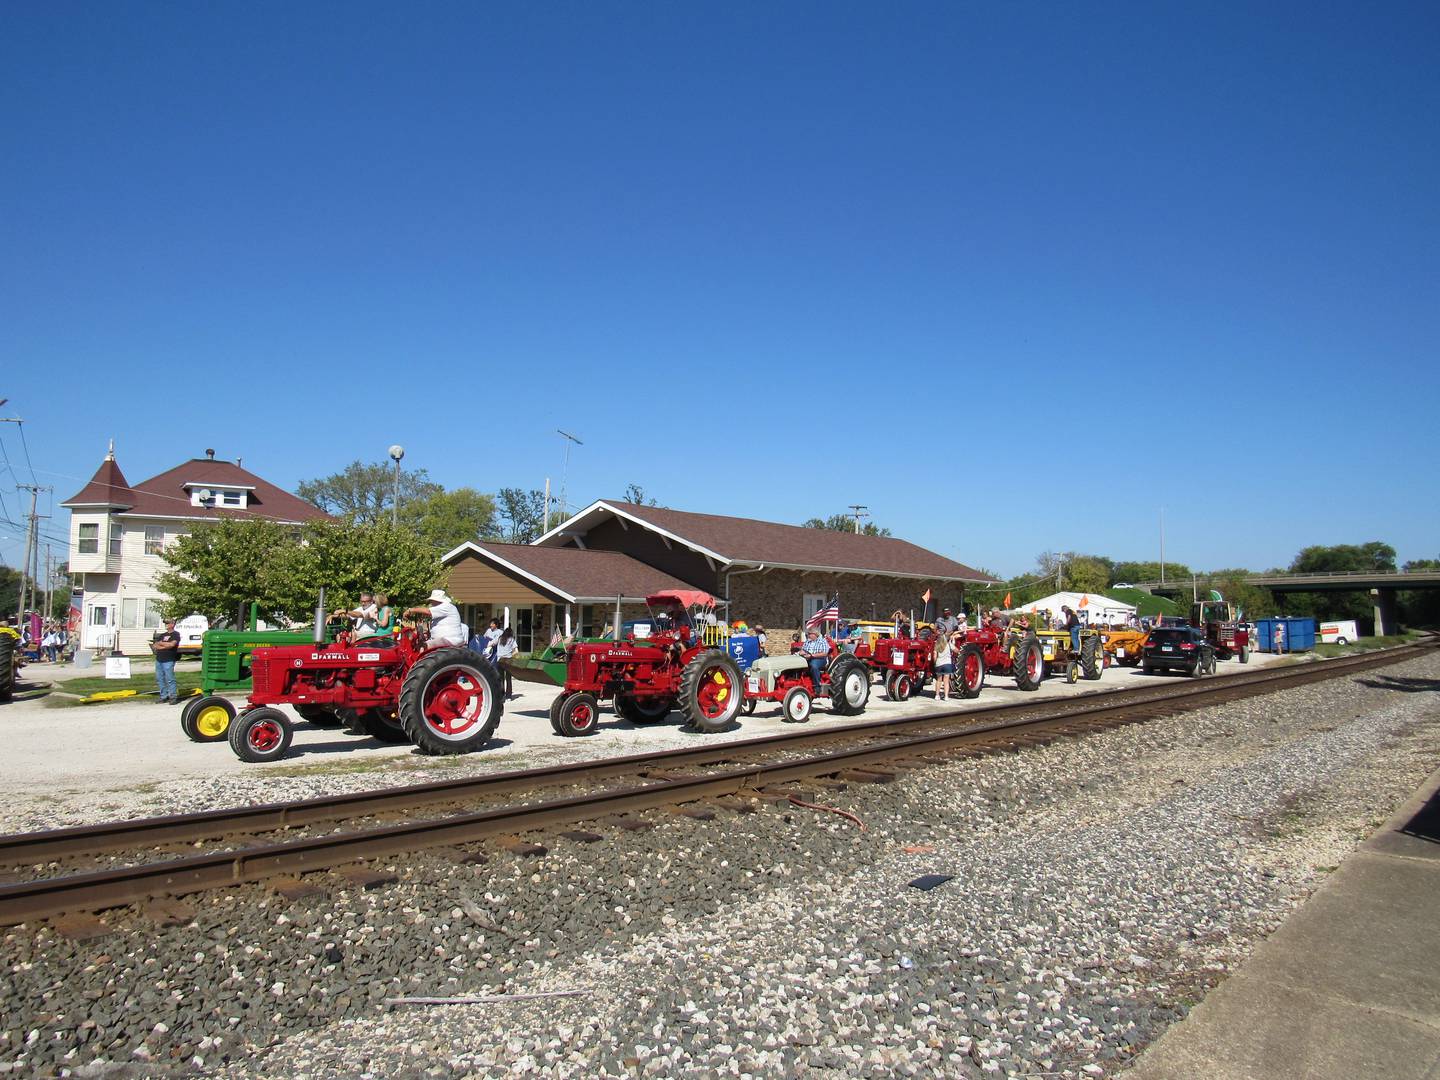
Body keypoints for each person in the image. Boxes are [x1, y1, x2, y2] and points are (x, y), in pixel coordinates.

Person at [404, 589, 468, 647]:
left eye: (432, 600)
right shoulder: (441, 610)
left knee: (422, 647)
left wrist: (410, 610)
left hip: (450, 640)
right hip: (445, 640)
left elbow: (428, 611)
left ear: (437, 600)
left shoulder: (446, 606)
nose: (431, 602)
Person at [151, 616, 180, 704]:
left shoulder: (175, 634)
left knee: (170, 678)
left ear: (172, 624)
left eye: (167, 623)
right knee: (160, 678)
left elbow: (172, 645)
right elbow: (155, 646)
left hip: (169, 659)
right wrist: (163, 645)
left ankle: (173, 696)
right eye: (165, 623)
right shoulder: (162, 635)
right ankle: (163, 696)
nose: (166, 625)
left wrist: (161, 644)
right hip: (159, 659)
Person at [800, 628, 830, 694]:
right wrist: (801, 652)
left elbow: (824, 653)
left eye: (809, 634)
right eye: (808, 634)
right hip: (808, 658)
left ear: (815, 634)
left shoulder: (822, 641)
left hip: (820, 659)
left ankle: (817, 687)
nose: (808, 636)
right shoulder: (807, 641)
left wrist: (811, 655)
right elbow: (803, 650)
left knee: (814, 665)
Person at [494, 627, 518, 698]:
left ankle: (501, 695)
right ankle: (508, 696)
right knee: (508, 679)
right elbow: (516, 651)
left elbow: (491, 643)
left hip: (500, 660)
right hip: (508, 660)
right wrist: (511, 655)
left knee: (500, 679)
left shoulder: (499, 638)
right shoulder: (512, 639)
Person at [932, 628, 955, 699]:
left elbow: (935, 656)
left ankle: (937, 695)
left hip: (939, 664)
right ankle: (946, 696)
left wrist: (935, 663)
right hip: (947, 664)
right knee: (946, 681)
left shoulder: (936, 646)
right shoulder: (948, 644)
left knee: (939, 680)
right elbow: (956, 650)